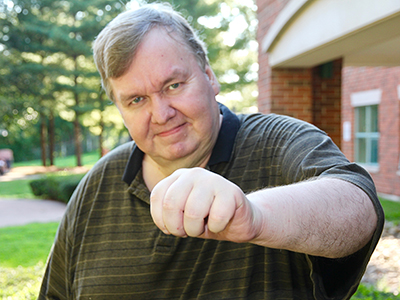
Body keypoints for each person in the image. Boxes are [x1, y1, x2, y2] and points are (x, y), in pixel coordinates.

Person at [39, 3, 384, 299]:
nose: (161, 114)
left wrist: (253, 215)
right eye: (136, 99)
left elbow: (359, 208)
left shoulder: (278, 140)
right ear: (118, 108)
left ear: (209, 75)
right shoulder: (97, 185)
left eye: (173, 85)